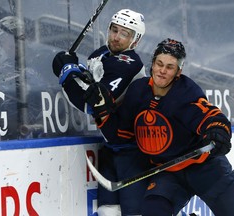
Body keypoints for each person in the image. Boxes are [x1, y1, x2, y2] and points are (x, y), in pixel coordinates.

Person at [93, 38, 234, 216]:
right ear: (152, 64)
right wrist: (102, 112)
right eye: (159, 64)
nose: (162, 71)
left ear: (178, 71)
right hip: (169, 172)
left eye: (169, 67)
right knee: (152, 209)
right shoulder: (137, 92)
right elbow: (120, 135)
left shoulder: (185, 93)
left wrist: (218, 131)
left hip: (206, 169)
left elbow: (211, 117)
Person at [52, 9, 151, 216]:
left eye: (124, 33)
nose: (116, 37)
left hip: (134, 152)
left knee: (135, 212)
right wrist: (75, 67)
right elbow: (89, 85)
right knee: (107, 211)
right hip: (111, 148)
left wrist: (66, 73)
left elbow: (93, 103)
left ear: (135, 40)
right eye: (114, 30)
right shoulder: (100, 54)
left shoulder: (129, 65)